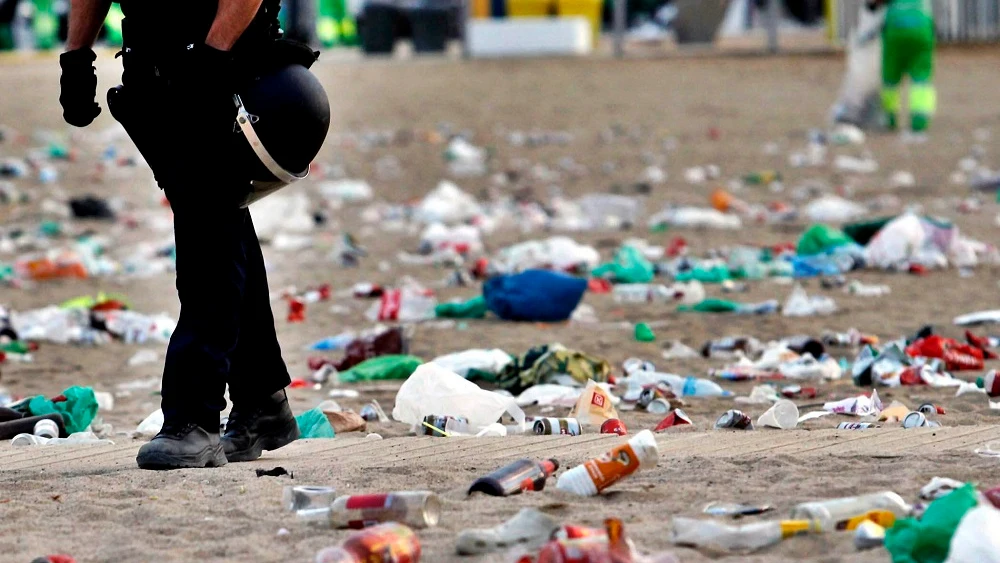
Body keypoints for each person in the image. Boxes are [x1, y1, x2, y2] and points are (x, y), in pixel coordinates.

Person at [58, 0, 301, 469]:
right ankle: (261, 403)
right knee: (216, 218)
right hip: (157, 73)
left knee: (208, 231)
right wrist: (77, 55)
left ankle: (195, 419)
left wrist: (213, 57)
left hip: (226, 65)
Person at [868, 0, 936, 134]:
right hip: (922, 26)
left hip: (895, 28)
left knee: (891, 77)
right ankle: (919, 121)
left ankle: (890, 118)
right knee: (921, 78)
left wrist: (873, 6)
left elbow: (875, 4)